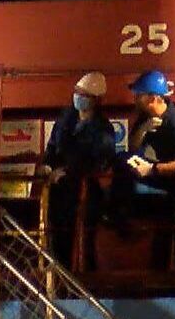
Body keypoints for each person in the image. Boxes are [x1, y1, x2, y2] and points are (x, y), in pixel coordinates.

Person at [111, 71, 175, 270]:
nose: (135, 99)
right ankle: (119, 214)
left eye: (139, 95)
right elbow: (133, 149)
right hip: (165, 177)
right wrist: (144, 130)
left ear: (152, 97)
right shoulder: (146, 117)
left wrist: (152, 169)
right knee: (121, 160)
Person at [42, 72, 119, 268]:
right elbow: (52, 147)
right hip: (59, 191)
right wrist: (48, 166)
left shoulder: (103, 129)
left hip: (85, 193)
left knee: (85, 241)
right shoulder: (65, 120)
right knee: (56, 237)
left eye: (84, 94)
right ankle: (57, 273)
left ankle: (83, 278)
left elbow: (100, 161)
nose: (78, 97)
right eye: (77, 92)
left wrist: (68, 172)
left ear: (96, 100)